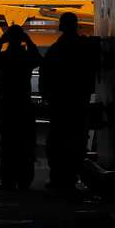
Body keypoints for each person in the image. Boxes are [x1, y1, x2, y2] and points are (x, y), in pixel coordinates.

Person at [40, 12, 97, 192]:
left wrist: (46, 95)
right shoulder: (85, 47)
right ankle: (72, 177)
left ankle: (58, 177)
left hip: (59, 102)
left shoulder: (55, 50)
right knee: (78, 138)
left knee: (57, 140)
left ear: (61, 27)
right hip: (79, 99)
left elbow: (45, 73)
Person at [0, 24, 42, 191]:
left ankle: (7, 180)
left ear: (7, 39)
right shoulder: (26, 58)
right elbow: (38, 58)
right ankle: (25, 180)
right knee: (25, 142)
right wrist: (28, 40)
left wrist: (0, 41)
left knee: (8, 143)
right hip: (24, 103)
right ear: (22, 39)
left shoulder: (2, 58)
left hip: (7, 103)